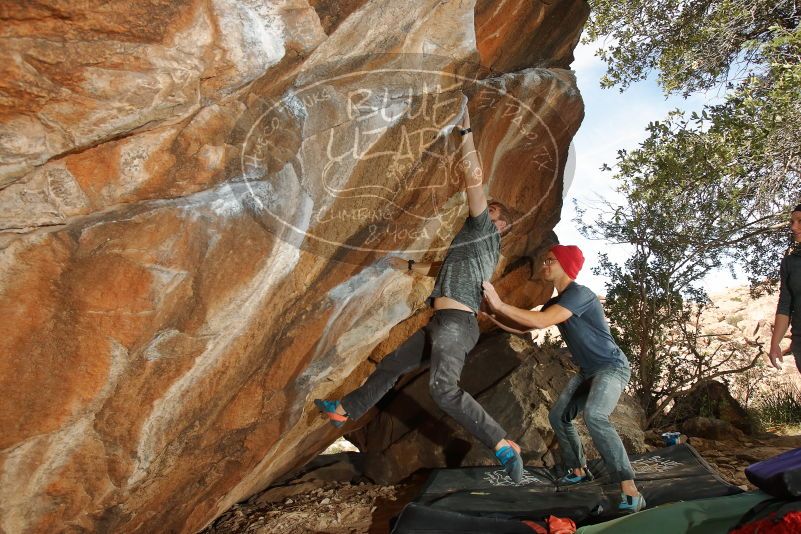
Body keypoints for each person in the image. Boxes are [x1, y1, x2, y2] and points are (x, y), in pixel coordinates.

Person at [314, 107, 526, 482]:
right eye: (486, 209)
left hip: (456, 324)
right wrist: (409, 267)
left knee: (443, 389)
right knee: (393, 364)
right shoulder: (474, 245)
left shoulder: (484, 232)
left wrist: (466, 133)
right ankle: (346, 409)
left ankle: (502, 443)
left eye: (492, 211)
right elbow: (441, 269)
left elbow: (474, 182)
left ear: (501, 225)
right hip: (443, 323)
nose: (482, 209)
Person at [481, 244, 646, 513]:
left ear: (566, 266)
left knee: (595, 415)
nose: (545, 265)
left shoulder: (580, 294)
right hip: (588, 371)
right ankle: (578, 469)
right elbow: (525, 324)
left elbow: (541, 321)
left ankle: (630, 489)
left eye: (551, 261)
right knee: (559, 417)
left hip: (611, 366)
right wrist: (494, 316)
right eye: (544, 260)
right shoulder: (555, 303)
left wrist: (499, 303)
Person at [769, 204, 801, 372]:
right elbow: (785, 305)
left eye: (800, 221)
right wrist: (775, 344)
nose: (794, 227)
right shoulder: (789, 262)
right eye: (792, 222)